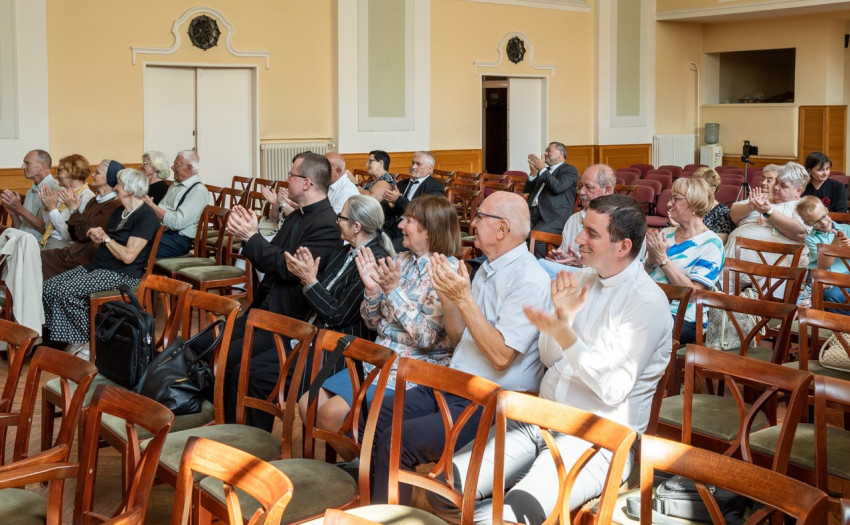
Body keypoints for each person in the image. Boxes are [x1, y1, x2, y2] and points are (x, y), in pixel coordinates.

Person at [444, 194, 672, 524]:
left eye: (591, 233)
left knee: (506, 516)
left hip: (596, 439)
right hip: (540, 420)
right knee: (445, 483)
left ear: (623, 247)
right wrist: (563, 320)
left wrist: (565, 333)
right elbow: (550, 358)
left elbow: (612, 389)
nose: (578, 240)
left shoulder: (646, 302)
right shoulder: (581, 279)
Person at [368, 191, 551, 504]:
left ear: (502, 229)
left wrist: (463, 299)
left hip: (489, 400)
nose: (472, 223)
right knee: (375, 412)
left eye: (480, 217)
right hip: (455, 384)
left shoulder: (528, 280)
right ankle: (375, 503)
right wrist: (448, 297)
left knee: (396, 439)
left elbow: (501, 357)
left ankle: (389, 516)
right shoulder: (488, 267)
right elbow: (457, 338)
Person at [300, 194, 459, 435]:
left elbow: (426, 338)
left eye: (409, 220)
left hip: (410, 372)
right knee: (307, 405)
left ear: (428, 231)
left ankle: (367, 456)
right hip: (376, 362)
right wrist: (372, 291)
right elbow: (373, 322)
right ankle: (359, 451)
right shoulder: (401, 261)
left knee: (331, 415)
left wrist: (393, 292)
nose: (400, 225)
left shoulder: (446, 271)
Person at [223, 152, 343, 430]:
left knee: (234, 362)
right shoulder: (298, 214)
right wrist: (251, 235)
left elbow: (288, 268)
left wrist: (251, 237)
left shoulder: (326, 224)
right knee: (215, 346)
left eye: (291, 175)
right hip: (264, 309)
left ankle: (242, 436)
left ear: (307, 183)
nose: (286, 180)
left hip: (286, 319)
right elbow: (272, 256)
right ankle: (220, 422)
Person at [42, 169, 159, 357]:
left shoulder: (146, 216)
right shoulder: (119, 212)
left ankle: (92, 342)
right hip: (98, 267)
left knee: (65, 292)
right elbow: (108, 242)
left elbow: (128, 256)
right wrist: (99, 238)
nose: (115, 187)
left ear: (130, 190)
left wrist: (105, 239)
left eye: (118, 184)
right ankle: (71, 339)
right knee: (48, 288)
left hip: (122, 274)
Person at [645, 178, 725, 344]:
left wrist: (663, 260)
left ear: (694, 204)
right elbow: (642, 275)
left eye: (675, 198)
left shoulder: (712, 244)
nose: (669, 204)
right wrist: (650, 261)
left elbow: (693, 293)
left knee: (633, 329)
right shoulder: (666, 233)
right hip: (649, 305)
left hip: (684, 317)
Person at [42, 160, 124, 279]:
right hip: (73, 252)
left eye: (97, 173)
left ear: (108, 178)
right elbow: (74, 234)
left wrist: (73, 209)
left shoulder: (113, 205)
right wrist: (72, 211)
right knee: (34, 256)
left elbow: (85, 234)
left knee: (38, 259)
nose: (92, 175)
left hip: (86, 258)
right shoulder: (94, 200)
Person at [725, 162, 811, 267]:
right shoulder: (762, 196)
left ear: (798, 191)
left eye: (783, 186)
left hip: (773, 268)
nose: (776, 187)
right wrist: (750, 206)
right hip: (733, 260)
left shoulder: (802, 206)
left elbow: (800, 233)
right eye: (776, 182)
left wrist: (769, 212)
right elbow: (733, 215)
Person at [538, 164, 616, 277]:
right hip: (570, 277)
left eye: (588, 187)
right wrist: (562, 258)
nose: (581, 192)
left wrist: (582, 264)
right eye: (581, 186)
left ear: (607, 190)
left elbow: (619, 271)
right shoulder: (573, 219)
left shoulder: (622, 221)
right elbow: (565, 250)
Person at [144, 150, 212, 258]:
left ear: (189, 167)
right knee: (130, 235)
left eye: (176, 164)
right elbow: (162, 209)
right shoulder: (176, 185)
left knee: (136, 244)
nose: (172, 167)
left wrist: (151, 206)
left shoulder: (198, 192)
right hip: (163, 232)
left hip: (177, 241)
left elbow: (177, 222)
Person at [524, 142, 579, 258]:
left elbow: (557, 187)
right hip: (532, 214)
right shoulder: (544, 171)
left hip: (554, 217)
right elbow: (528, 191)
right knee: (513, 232)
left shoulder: (569, 170)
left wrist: (542, 170)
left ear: (560, 154)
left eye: (549, 150)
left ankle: (539, 266)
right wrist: (533, 173)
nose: (545, 153)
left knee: (537, 236)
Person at [383, 151, 446, 250]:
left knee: (388, 250)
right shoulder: (401, 184)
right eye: (413, 163)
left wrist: (398, 200)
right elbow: (388, 210)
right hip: (392, 227)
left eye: (418, 164)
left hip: (414, 231)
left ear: (430, 169)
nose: (413, 167)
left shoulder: (434, 187)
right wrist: (391, 206)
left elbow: (425, 212)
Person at [797, 196, 850, 313]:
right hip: (822, 279)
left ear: (826, 210)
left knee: (830, 295)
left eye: (823, 217)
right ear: (807, 223)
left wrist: (847, 246)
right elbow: (825, 263)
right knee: (803, 300)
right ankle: (796, 319)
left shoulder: (847, 229)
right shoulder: (811, 239)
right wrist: (835, 245)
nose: (824, 223)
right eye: (816, 222)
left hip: (845, 279)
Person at [1, 150, 60, 240]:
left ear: (42, 166)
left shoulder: (56, 190)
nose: (22, 167)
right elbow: (20, 229)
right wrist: (14, 213)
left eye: (27, 163)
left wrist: (19, 208)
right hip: (22, 242)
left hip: (41, 245)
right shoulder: (30, 192)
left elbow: (49, 231)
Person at [40, 154, 95, 249]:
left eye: (60, 171)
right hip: (50, 240)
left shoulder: (87, 197)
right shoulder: (63, 193)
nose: (56, 176)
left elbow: (69, 235)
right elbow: (48, 227)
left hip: (67, 246)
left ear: (73, 172)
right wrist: (47, 207)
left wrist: (53, 210)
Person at [690, 167, 735, 243]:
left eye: (699, 187)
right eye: (693, 186)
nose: (694, 190)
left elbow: (717, 243)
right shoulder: (689, 206)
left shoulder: (723, 213)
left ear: (712, 190)